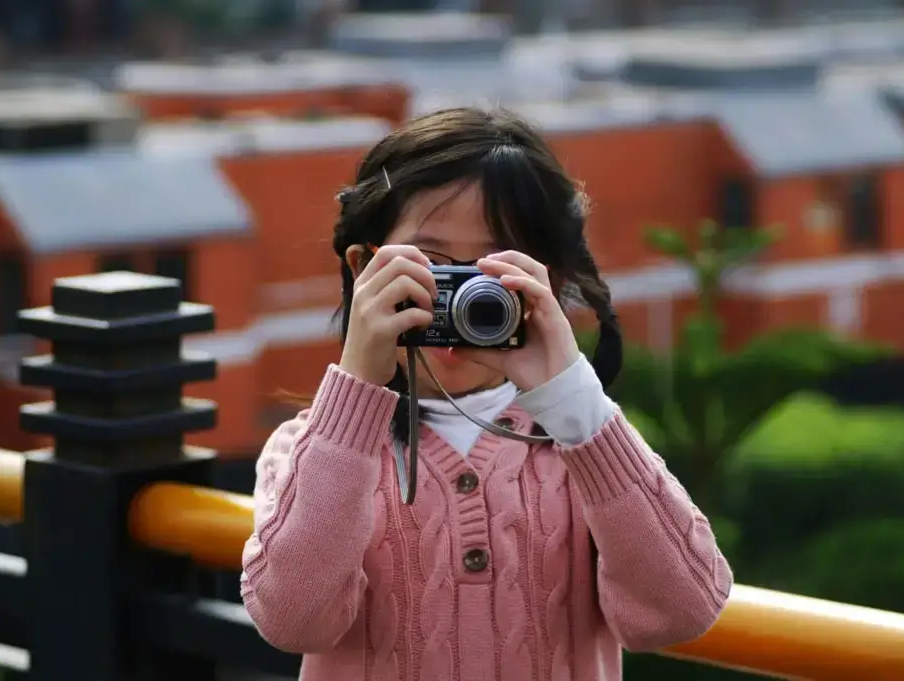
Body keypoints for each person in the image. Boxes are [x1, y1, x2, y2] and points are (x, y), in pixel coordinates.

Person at [240, 107, 732, 681]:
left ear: (548, 280)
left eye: (491, 270)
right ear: (364, 268)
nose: (464, 296)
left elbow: (681, 611)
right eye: (433, 266)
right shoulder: (315, 449)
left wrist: (573, 397)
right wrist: (357, 386)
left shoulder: (588, 446)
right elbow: (292, 620)